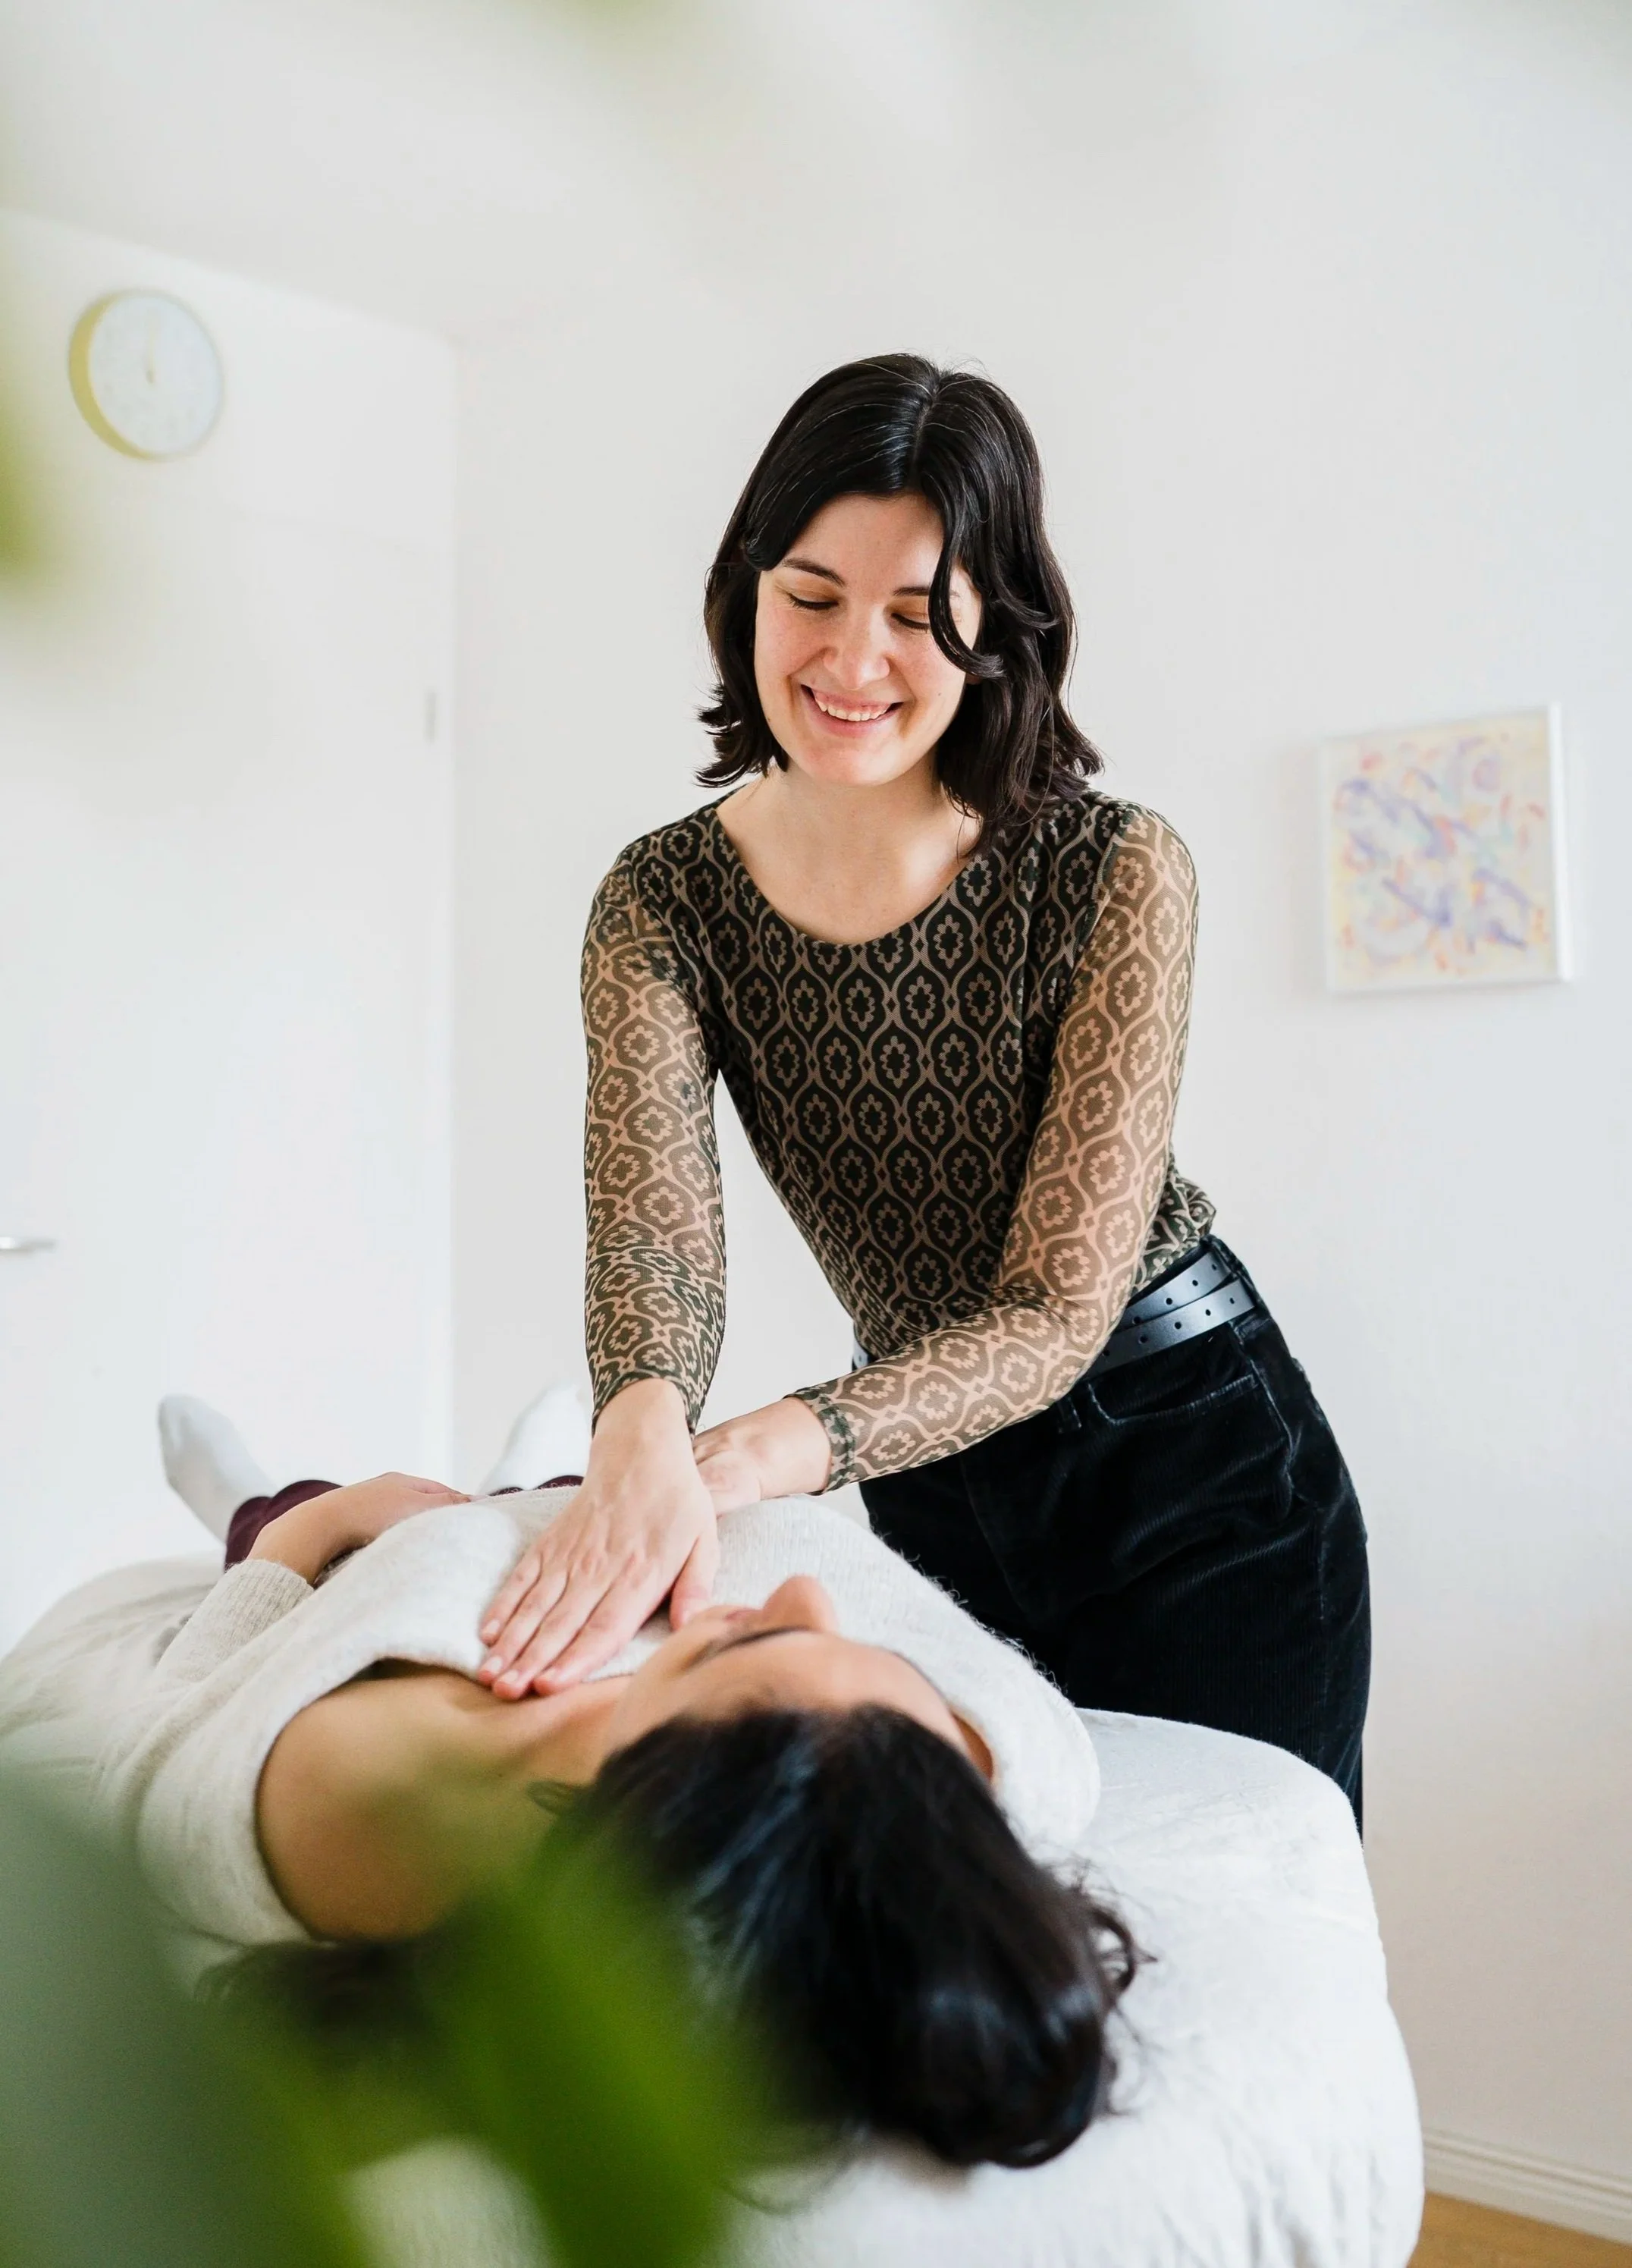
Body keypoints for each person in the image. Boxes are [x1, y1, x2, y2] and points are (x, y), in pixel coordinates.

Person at [479, 353, 1370, 1821]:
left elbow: (1055, 1312)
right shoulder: (663, 900)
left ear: (994, 628)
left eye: (915, 613)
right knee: (972, 1899)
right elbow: (656, 1232)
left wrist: (766, 1446)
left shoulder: (1112, 871)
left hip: (1197, 1474)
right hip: (935, 1487)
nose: (852, 660)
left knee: (1225, 1916)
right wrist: (637, 1426)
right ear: (746, 589)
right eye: (813, 596)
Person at [0, 1394, 1131, 2171]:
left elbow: (174, 1718)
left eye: (747, 1651)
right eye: (881, 1675)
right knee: (577, 1497)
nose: (803, 1598)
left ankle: (249, 1495)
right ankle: (534, 1471)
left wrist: (305, 1538)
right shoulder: (964, 1777)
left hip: (388, 1568)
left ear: (653, 1804)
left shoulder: (322, 1804)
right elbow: (820, 1572)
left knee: (325, 1511)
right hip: (624, 1530)